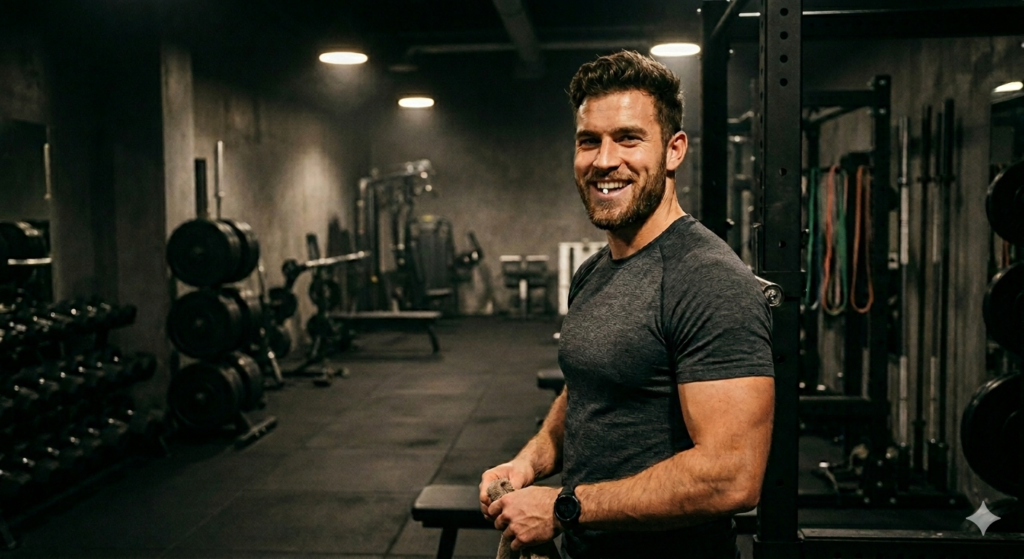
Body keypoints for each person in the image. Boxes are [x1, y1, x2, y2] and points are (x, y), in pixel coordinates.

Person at [478, 50, 775, 559]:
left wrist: (562, 508)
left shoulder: (707, 280)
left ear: (674, 150)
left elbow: (732, 477)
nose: (604, 160)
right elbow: (588, 390)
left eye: (629, 139)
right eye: (589, 141)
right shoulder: (593, 272)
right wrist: (529, 464)